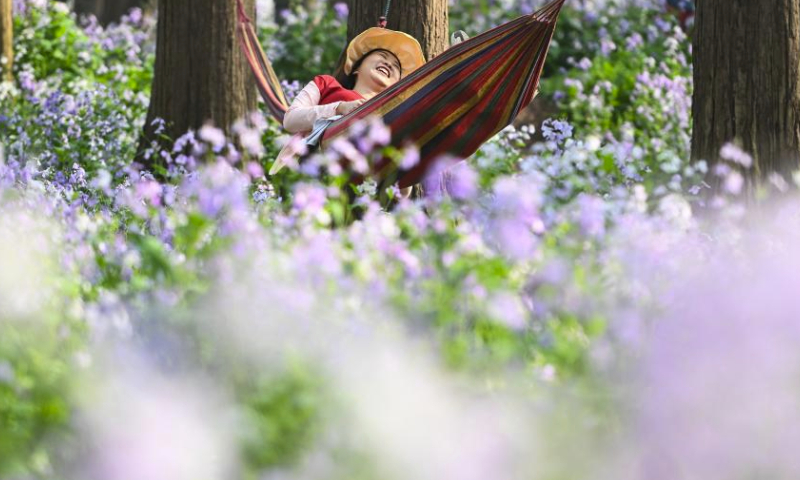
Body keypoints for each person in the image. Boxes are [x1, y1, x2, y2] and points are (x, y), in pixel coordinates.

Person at [269, 27, 426, 176]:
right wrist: (339, 108)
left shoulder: (393, 115)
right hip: (309, 168)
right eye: (383, 56)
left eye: (395, 66)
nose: (388, 64)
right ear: (357, 66)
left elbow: (402, 185)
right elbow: (290, 120)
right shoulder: (326, 84)